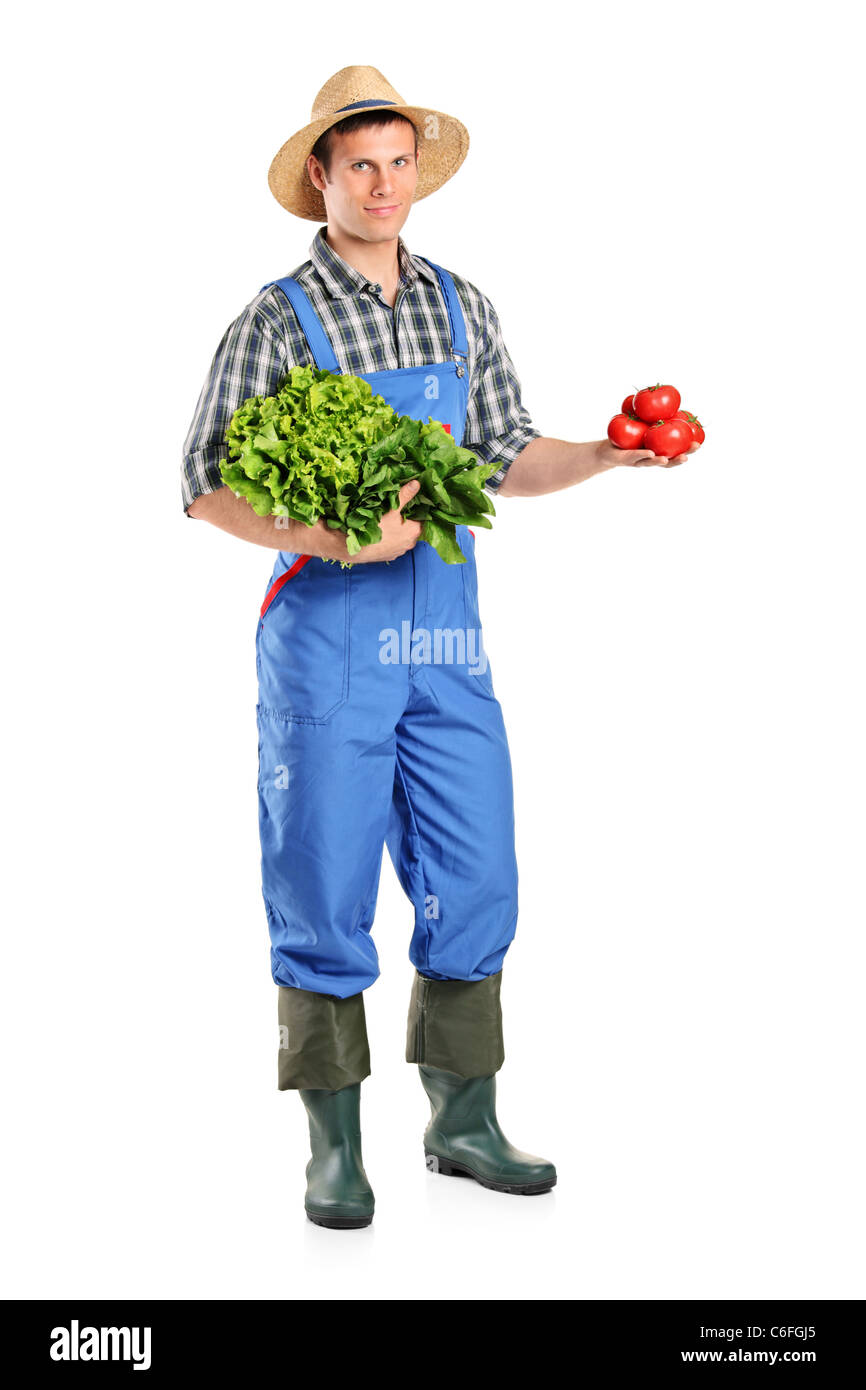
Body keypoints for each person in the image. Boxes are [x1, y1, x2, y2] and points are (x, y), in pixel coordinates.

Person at [182, 65, 693, 1231]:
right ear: (320, 176)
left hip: (447, 641)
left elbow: (507, 452)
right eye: (358, 163)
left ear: (419, 170)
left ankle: (461, 1121)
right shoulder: (275, 316)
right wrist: (337, 535)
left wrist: (608, 456)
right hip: (325, 644)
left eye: (397, 161)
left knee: (477, 874)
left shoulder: (462, 305)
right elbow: (205, 486)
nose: (381, 183)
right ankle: (333, 1145)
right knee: (321, 879)